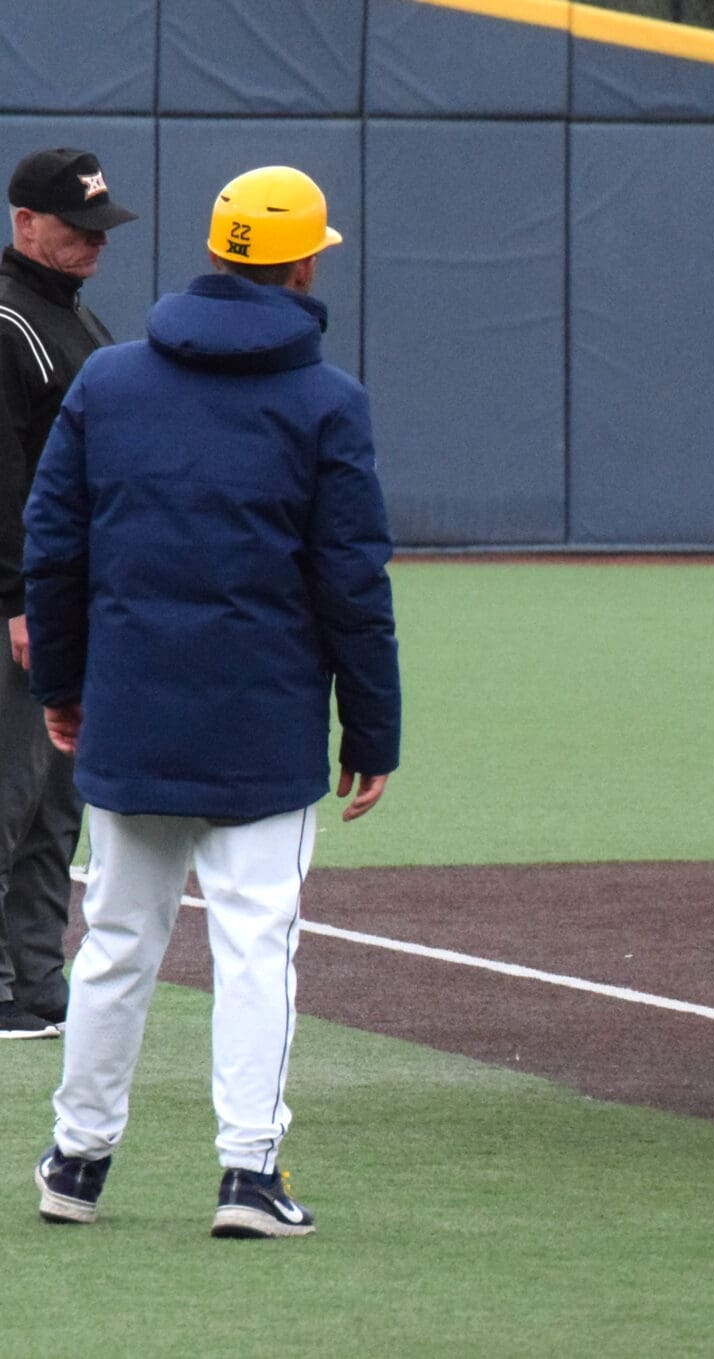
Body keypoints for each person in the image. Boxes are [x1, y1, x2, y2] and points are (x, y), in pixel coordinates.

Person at [23, 165, 399, 1239]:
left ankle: (76, 1164)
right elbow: (352, 580)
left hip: (132, 707)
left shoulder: (113, 381)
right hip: (262, 722)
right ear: (300, 261)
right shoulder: (327, 400)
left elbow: (55, 547)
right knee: (254, 948)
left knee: (114, 946)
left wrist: (63, 685)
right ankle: (247, 1176)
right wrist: (371, 728)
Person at [0, 148, 138, 1040]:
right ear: (24, 225)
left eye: (99, 228)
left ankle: (38, 976)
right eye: (75, 228)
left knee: (59, 794)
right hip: (23, 598)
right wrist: (17, 600)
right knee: (9, 787)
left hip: (75, 592)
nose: (92, 242)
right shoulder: (9, 321)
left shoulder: (71, 315)